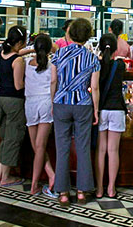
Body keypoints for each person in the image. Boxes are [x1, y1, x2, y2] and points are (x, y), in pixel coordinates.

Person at [51, 18, 101, 206]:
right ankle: (82, 191)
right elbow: (94, 87)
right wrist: (95, 110)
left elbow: (53, 81)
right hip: (83, 104)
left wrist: (52, 102)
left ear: (70, 34)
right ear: (88, 36)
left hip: (61, 103)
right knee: (83, 147)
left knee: (62, 147)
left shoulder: (59, 54)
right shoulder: (92, 58)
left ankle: (63, 192)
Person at [0, 26, 28, 187]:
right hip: (14, 100)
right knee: (14, 137)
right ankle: (6, 176)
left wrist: (30, 50)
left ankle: (0, 172)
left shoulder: (2, 54)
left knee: (5, 136)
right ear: (20, 42)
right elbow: (18, 85)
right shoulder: (18, 61)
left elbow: (17, 54)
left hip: (1, 98)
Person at [24, 34, 57, 197]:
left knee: (36, 146)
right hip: (45, 104)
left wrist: (32, 49)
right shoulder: (52, 66)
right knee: (40, 146)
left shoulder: (26, 63)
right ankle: (42, 180)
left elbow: (18, 54)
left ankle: (39, 181)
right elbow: (53, 87)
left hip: (30, 104)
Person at [94, 33, 126, 199]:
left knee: (101, 150)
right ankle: (111, 188)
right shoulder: (120, 65)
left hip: (101, 110)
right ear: (115, 49)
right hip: (117, 110)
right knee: (113, 150)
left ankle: (99, 188)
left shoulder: (96, 65)